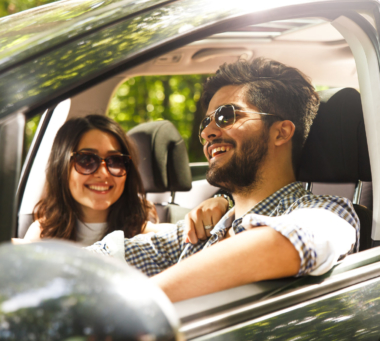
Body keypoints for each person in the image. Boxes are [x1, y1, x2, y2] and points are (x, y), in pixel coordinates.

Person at [86, 58, 359, 302]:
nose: (208, 133)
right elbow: (104, 257)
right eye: (206, 123)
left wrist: (133, 304)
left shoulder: (330, 213)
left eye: (226, 116)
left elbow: (290, 240)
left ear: (281, 133)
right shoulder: (204, 229)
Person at [24, 114, 221, 246]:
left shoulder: (147, 234)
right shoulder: (41, 235)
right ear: (61, 167)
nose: (103, 172)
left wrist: (222, 202)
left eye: (115, 161)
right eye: (86, 160)